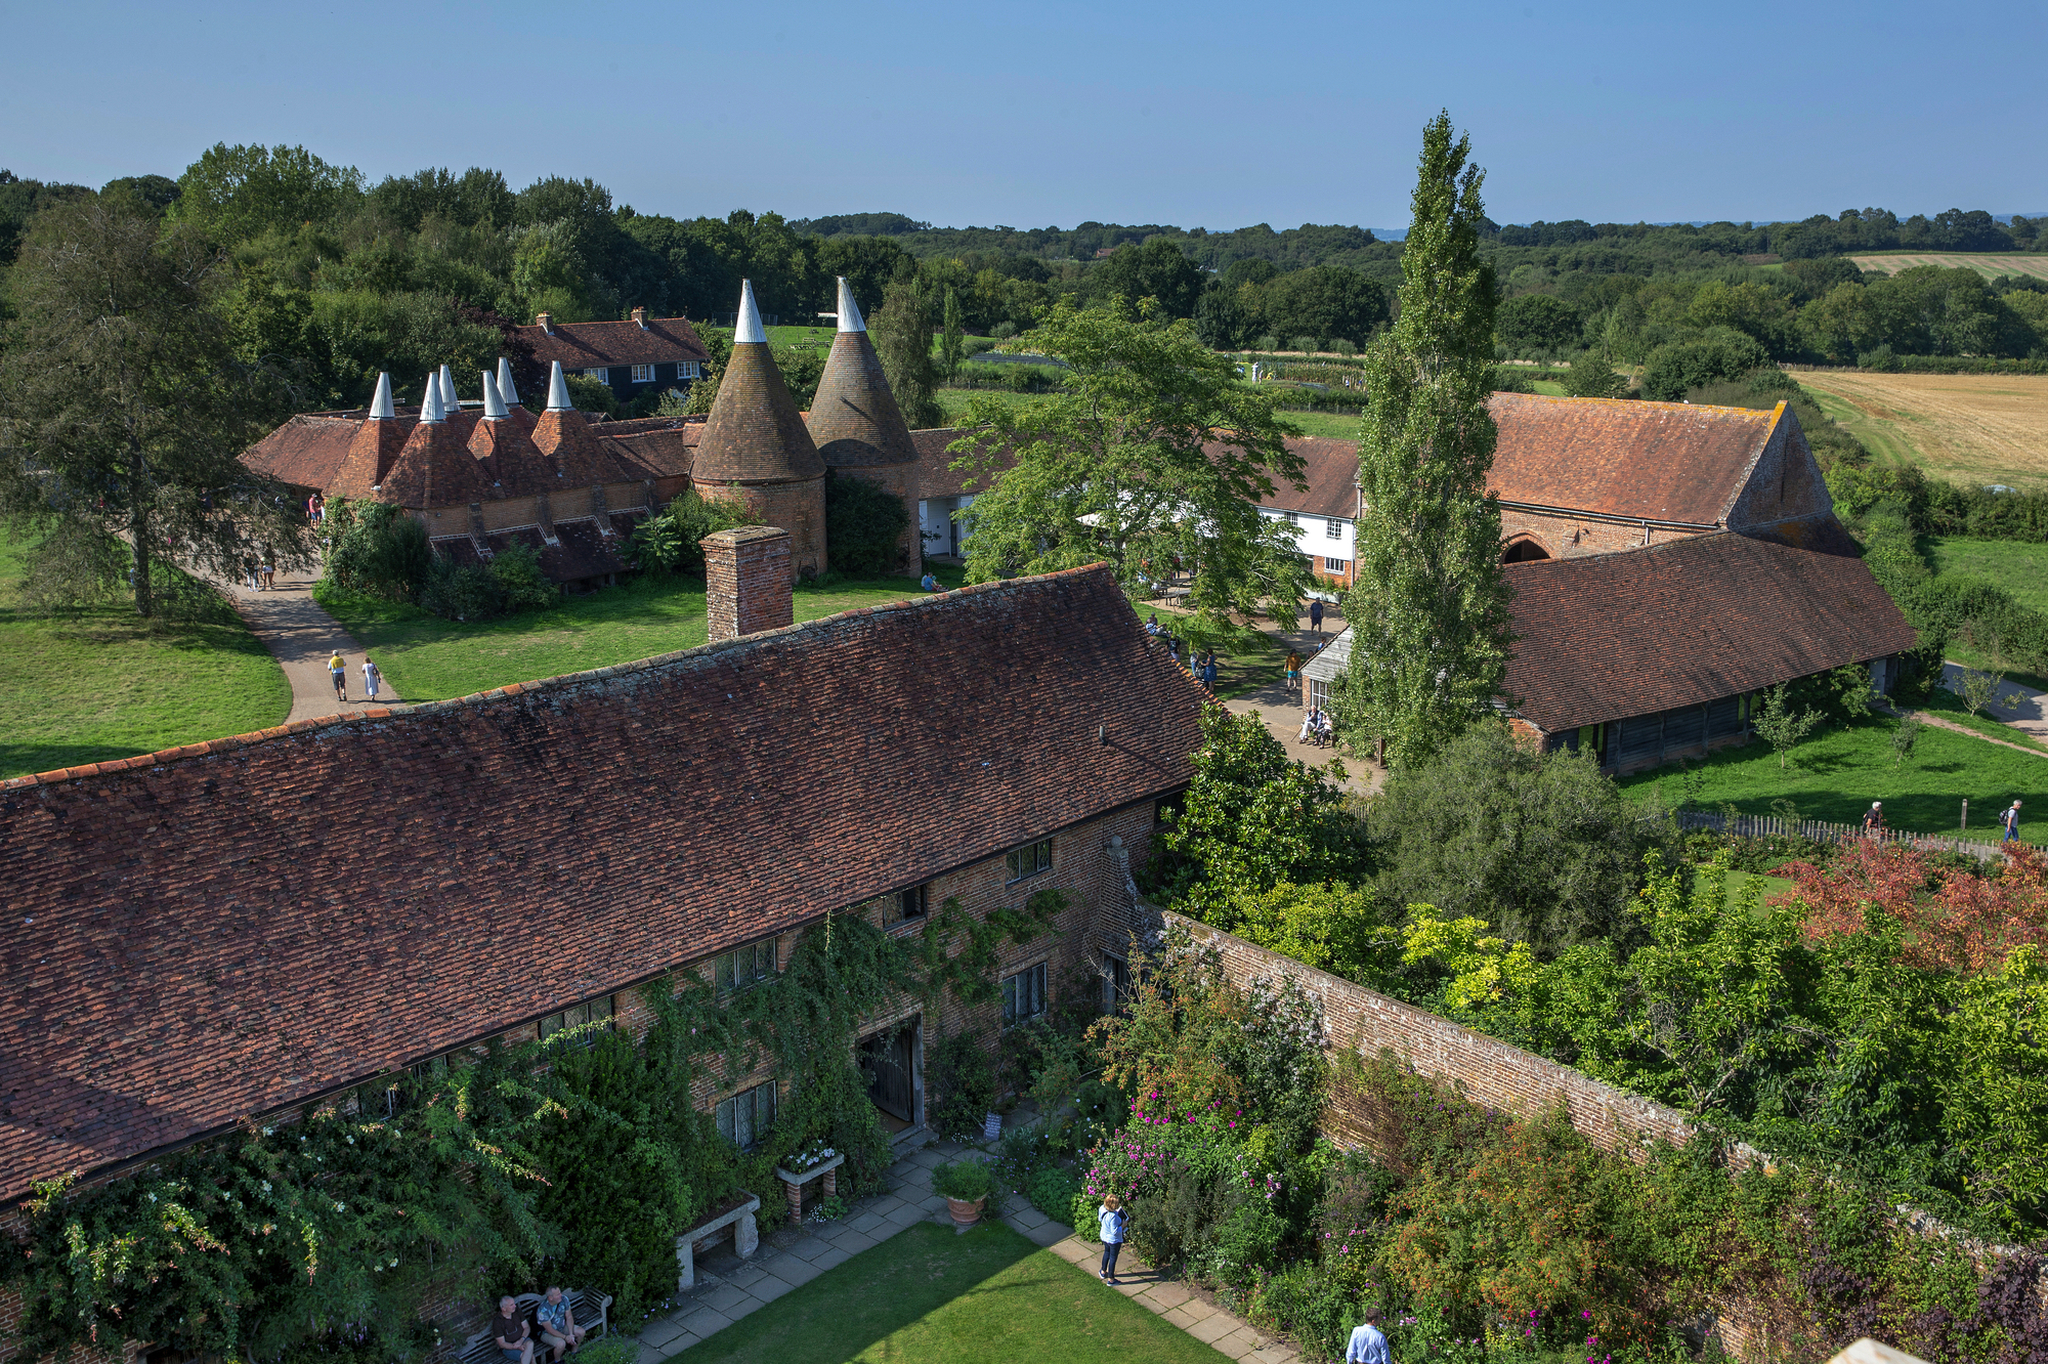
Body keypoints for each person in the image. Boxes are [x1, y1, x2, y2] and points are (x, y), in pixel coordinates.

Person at [535, 1286, 585, 1361]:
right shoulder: (542, 1310)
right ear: (550, 1298)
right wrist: (565, 1337)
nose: (560, 1295)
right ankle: (557, 1361)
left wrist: (571, 1334)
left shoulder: (564, 1299)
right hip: (547, 1333)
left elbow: (569, 1317)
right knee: (561, 1344)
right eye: (558, 1294)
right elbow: (550, 1330)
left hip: (562, 1326)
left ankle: (574, 1352)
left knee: (581, 1332)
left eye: (560, 1293)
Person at [492, 1296, 533, 1364]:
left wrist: (521, 1340)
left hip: (523, 1340)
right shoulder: (498, 1322)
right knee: (531, 1357)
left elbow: (527, 1327)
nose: (515, 1306)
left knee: (530, 1343)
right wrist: (517, 1347)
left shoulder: (517, 1312)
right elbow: (502, 1344)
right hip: (509, 1348)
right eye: (511, 1305)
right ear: (503, 1308)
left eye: (514, 1303)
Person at [1097, 1193, 1128, 1284]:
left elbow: (1100, 1219)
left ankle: (1103, 1271)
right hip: (1113, 1240)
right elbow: (1114, 1231)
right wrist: (1123, 1225)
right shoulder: (1113, 1216)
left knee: (1106, 1252)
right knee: (1113, 1258)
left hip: (1104, 1236)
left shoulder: (1102, 1208)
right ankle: (1111, 1279)